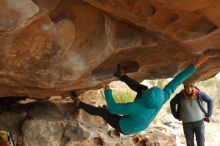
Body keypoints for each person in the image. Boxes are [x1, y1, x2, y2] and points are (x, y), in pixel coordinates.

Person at [73, 52, 211, 135]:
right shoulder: (162, 97)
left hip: (126, 126)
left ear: (144, 99)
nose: (148, 90)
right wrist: (196, 64)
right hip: (140, 117)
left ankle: (79, 104)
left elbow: (114, 108)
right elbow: (178, 79)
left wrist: (107, 89)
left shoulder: (135, 107)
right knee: (142, 88)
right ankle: (121, 75)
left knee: (105, 113)